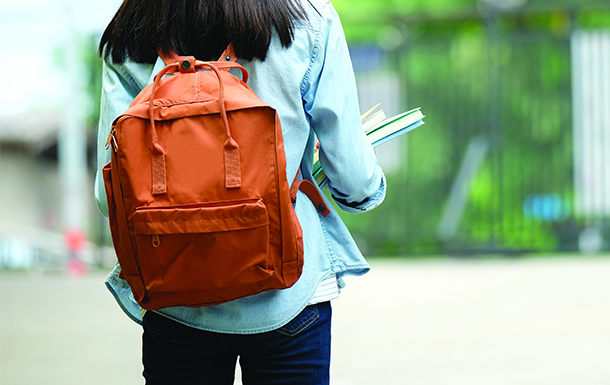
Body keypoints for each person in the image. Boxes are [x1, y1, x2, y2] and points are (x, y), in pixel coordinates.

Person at [95, 0, 386, 384]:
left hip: (174, 295)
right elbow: (352, 176)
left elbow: (108, 195)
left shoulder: (133, 26)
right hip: (290, 293)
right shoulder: (308, 18)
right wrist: (365, 191)